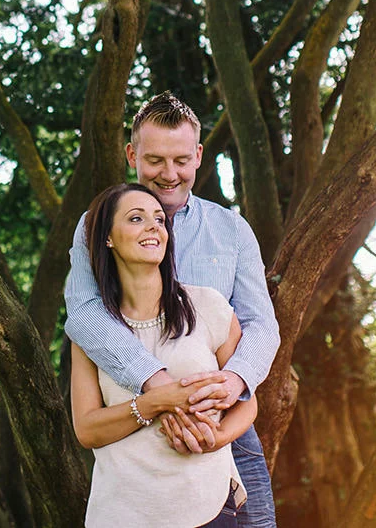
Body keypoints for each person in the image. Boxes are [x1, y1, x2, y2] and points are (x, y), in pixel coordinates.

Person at [65, 92, 279, 528]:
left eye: (181, 160)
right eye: (155, 160)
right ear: (132, 155)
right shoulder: (95, 226)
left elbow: (261, 325)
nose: (169, 174)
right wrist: (160, 389)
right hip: (136, 445)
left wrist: (234, 382)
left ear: (198, 155)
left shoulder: (231, 230)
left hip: (226, 426)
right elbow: (85, 314)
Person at [70, 182, 252, 527]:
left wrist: (217, 438)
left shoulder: (207, 305)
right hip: (122, 513)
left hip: (207, 506)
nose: (154, 226)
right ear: (107, 238)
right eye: (136, 218)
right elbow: (87, 429)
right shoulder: (90, 330)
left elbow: (247, 402)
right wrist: (154, 403)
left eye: (158, 219)